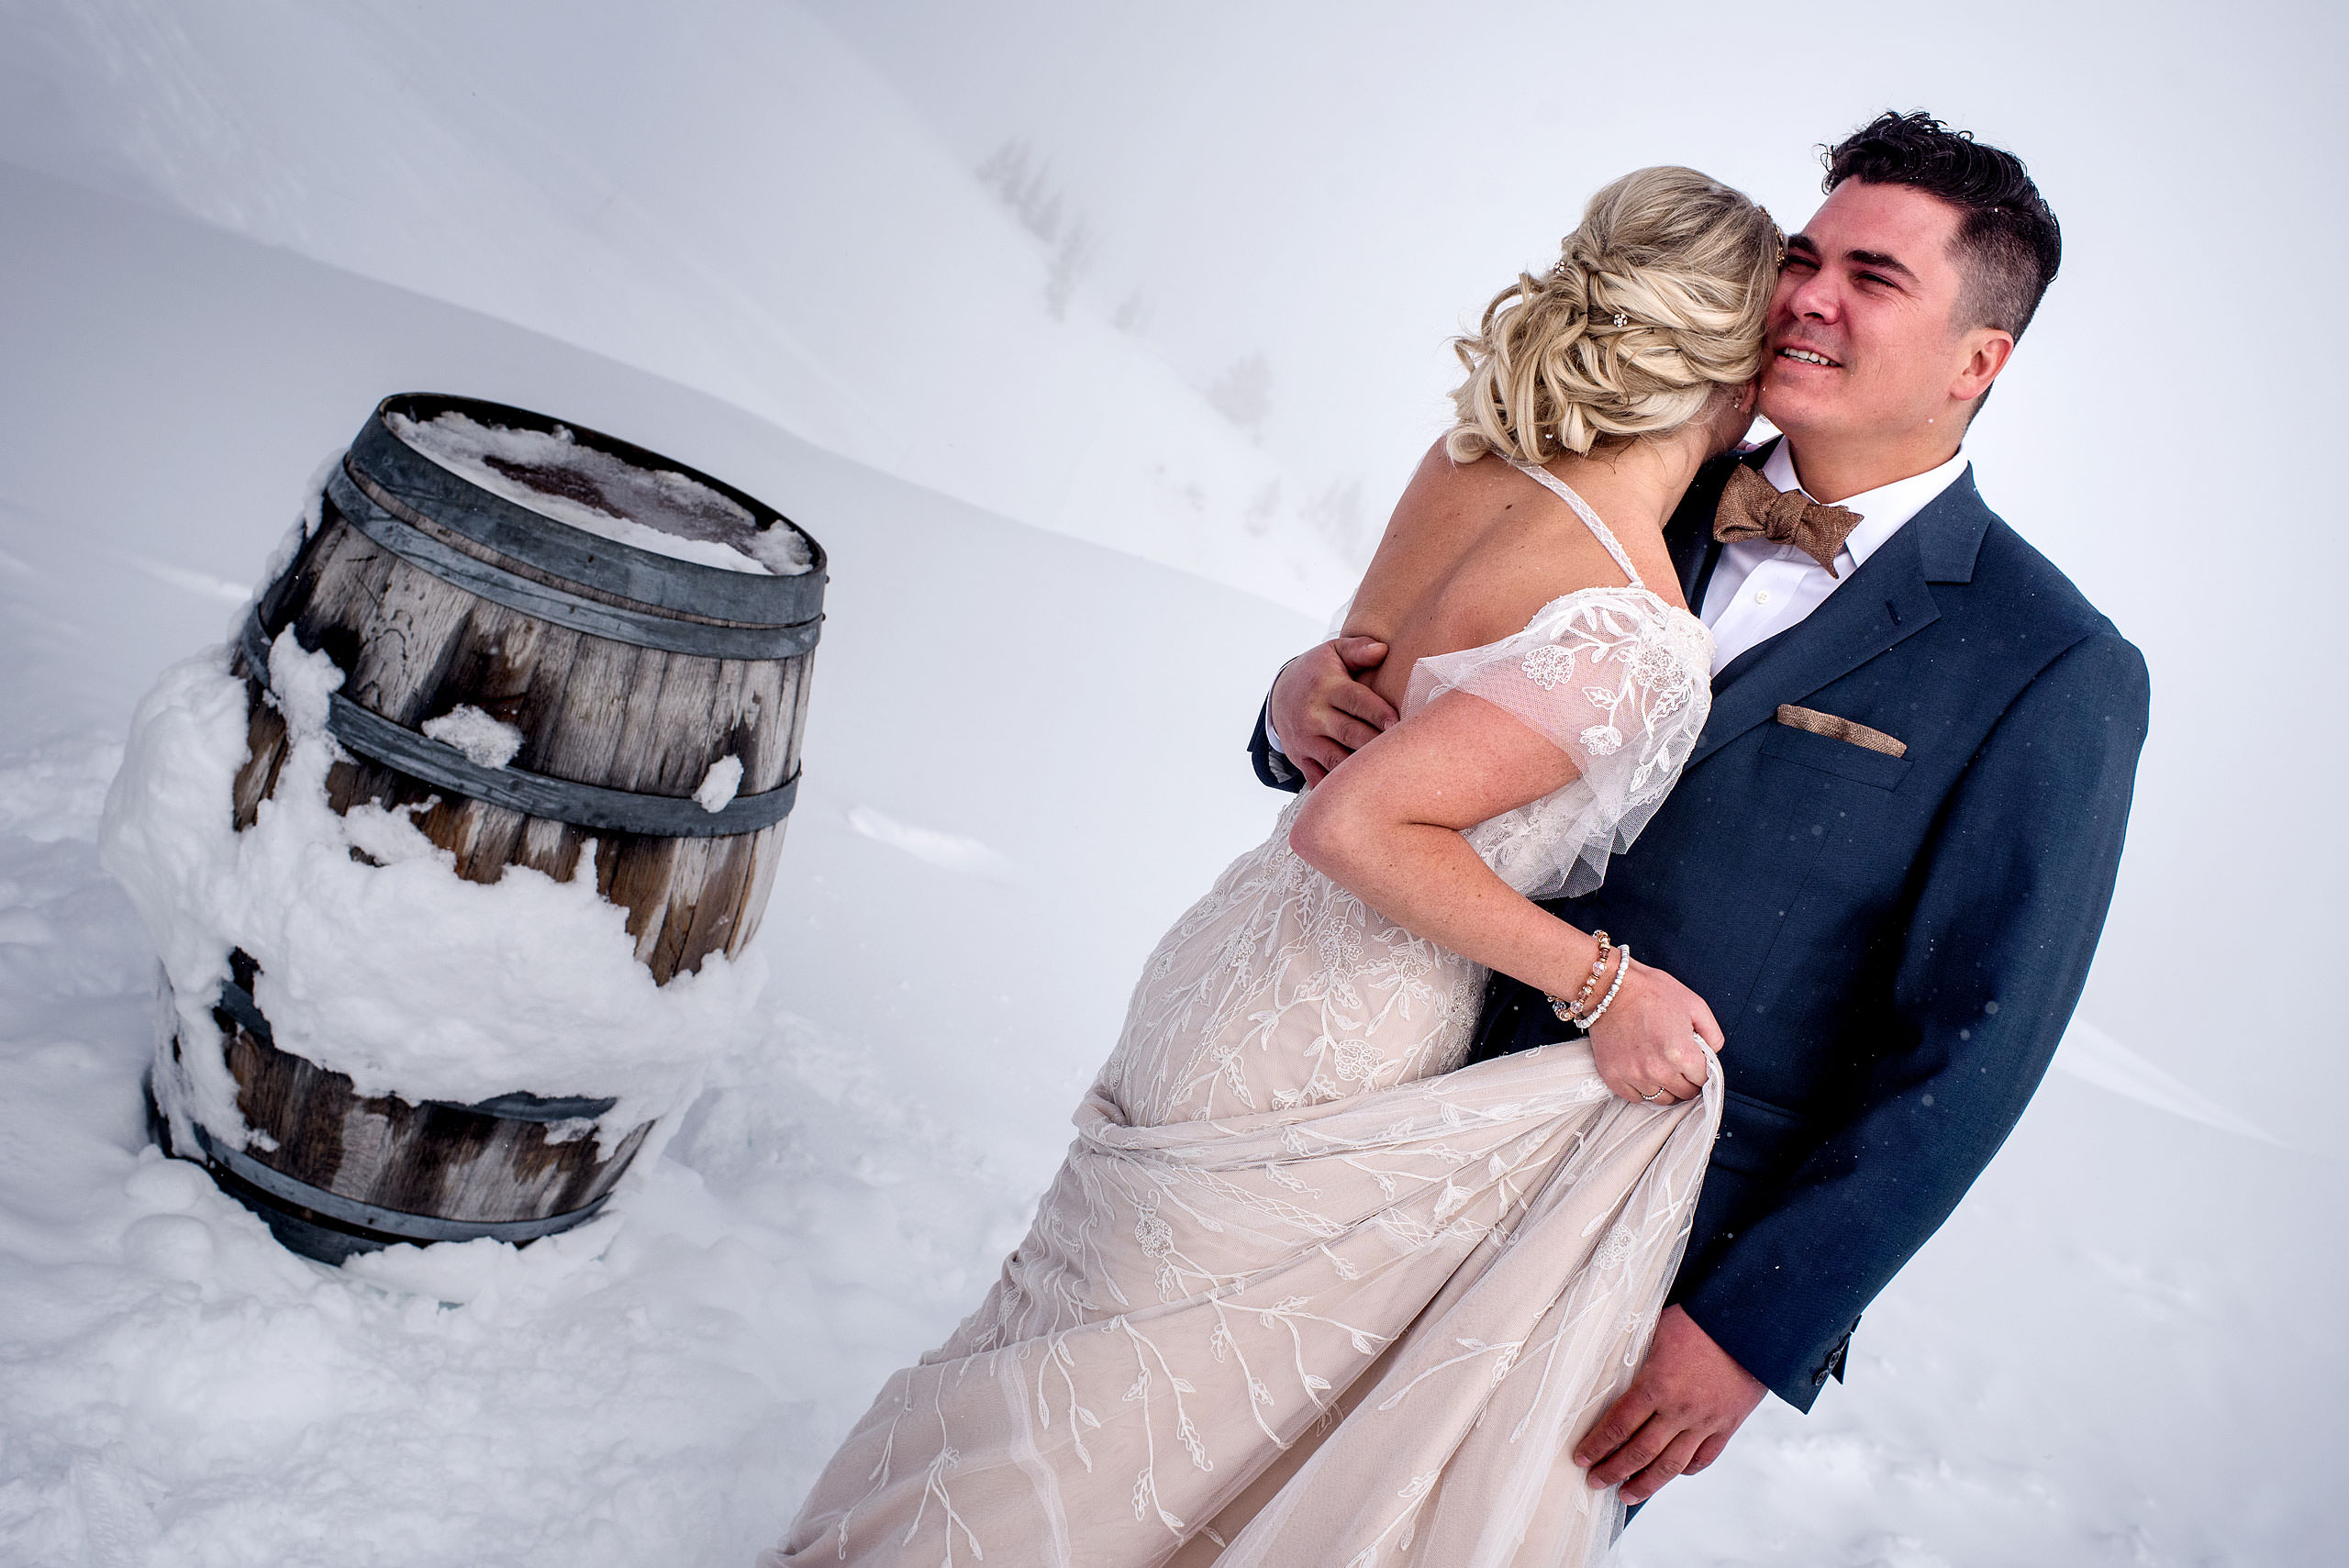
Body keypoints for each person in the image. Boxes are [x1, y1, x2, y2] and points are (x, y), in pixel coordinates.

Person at [766, 165, 1783, 1566]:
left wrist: (1298, 689)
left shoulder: (1470, 464)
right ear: (1738, 381)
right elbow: (1355, 822)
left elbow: (1344, 712)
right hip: (1333, 1032)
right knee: (1123, 1419)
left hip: (1225, 963)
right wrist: (1601, 982)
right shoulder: (1639, 630)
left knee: (1067, 1361)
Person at [1253, 111, 2150, 1513]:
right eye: (1805, 255)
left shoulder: (2051, 667)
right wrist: (1299, 702)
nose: (1806, 295)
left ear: (1983, 359)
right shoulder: (1634, 485)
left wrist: (1752, 1322)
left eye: (1874, 275)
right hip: (1370, 1103)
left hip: (1644, 1222)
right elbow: (1404, 716)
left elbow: (1969, 1051)